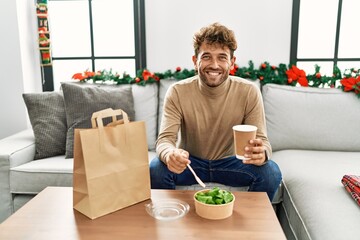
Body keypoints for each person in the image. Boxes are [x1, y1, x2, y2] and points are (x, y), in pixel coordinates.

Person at [149, 22, 282, 201]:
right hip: (190, 163)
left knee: (271, 172)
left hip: (232, 163)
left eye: (222, 57)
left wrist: (262, 154)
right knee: (156, 167)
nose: (214, 65)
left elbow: (263, 142)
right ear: (195, 61)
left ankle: (249, 222)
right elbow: (165, 140)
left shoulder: (248, 91)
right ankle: (170, 220)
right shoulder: (178, 92)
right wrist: (170, 154)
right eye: (206, 57)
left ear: (232, 62)